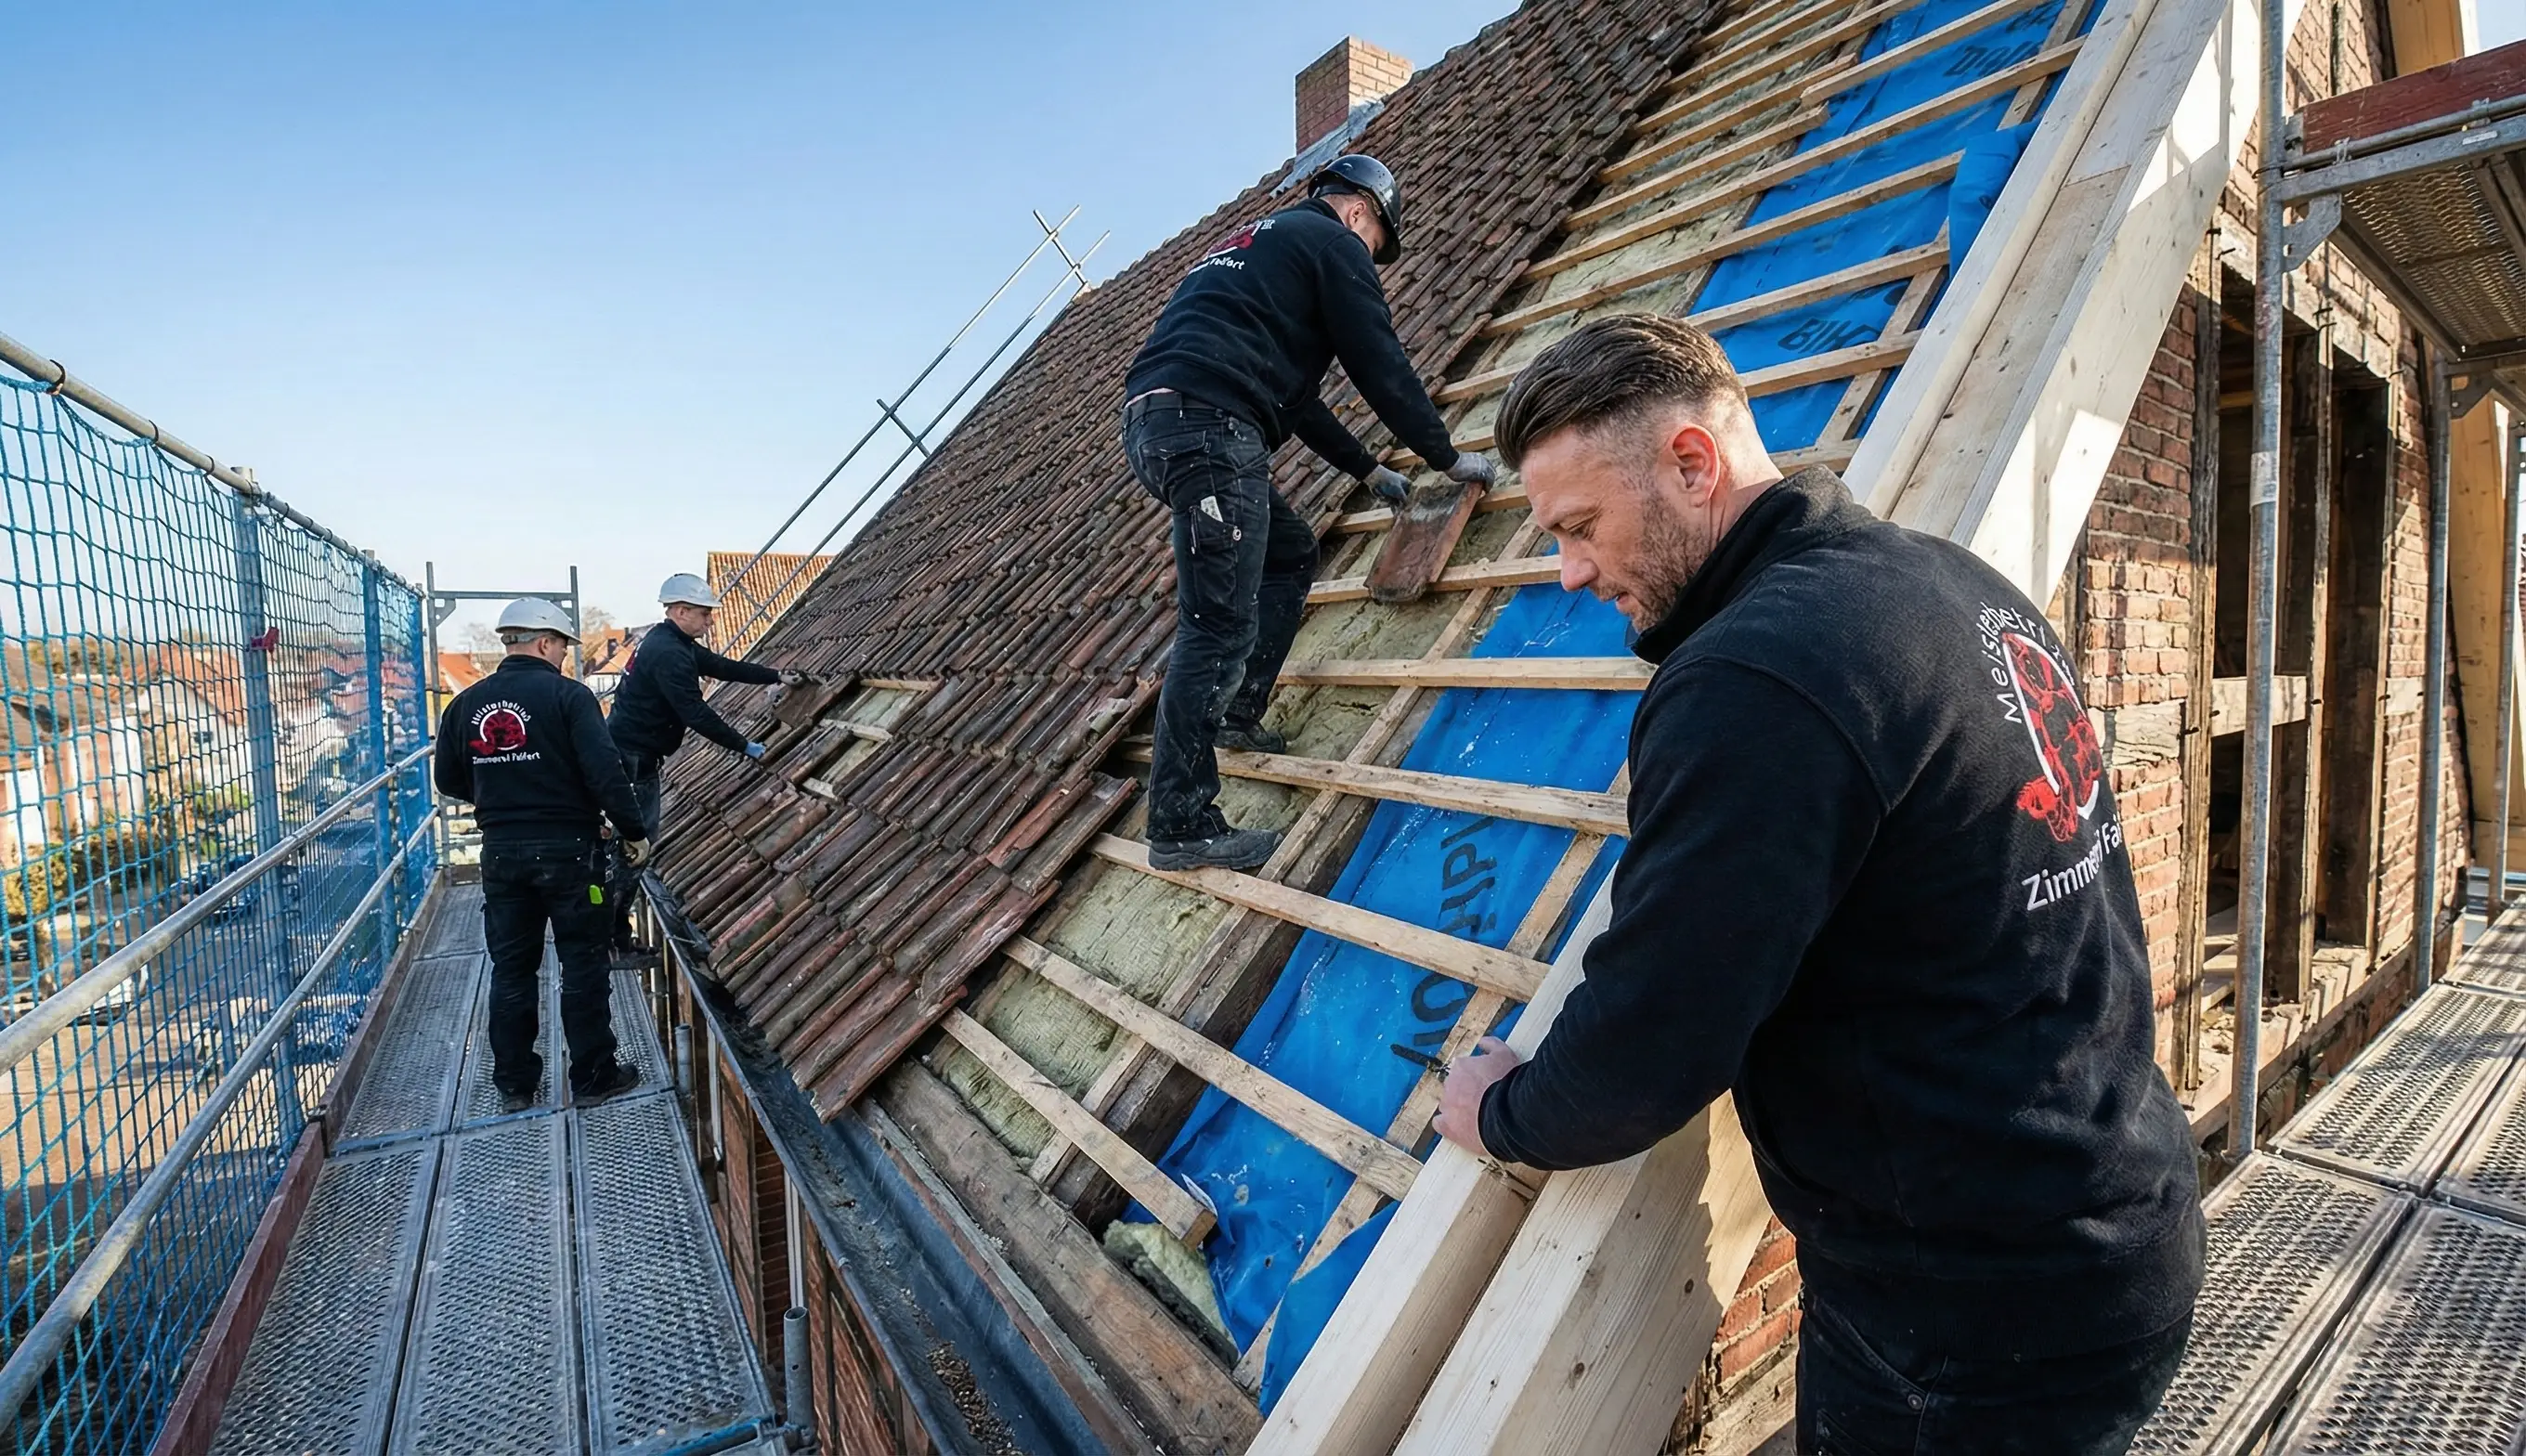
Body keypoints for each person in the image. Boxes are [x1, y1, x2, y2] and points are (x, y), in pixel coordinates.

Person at [1429, 316, 2202, 1453]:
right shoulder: (1944, 581)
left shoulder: (1753, 677)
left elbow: (1654, 1038)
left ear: (1691, 463)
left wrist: (1500, 1111)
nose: (1570, 571)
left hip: (1972, 1322)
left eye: (1580, 526)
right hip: (2117, 1211)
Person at [1120, 153, 1496, 871]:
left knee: (1289, 553)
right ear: (1360, 212)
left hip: (1168, 422)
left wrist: (1368, 468)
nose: (1371, 260)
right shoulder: (1330, 243)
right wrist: (1445, 457)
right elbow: (1378, 361)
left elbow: (1293, 397)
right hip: (1209, 429)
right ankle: (1181, 825)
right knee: (1216, 622)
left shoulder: (1262, 251)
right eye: (1377, 248)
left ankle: (1236, 712)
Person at [435, 597, 651, 1112]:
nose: (563, 656)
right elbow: (606, 773)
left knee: (512, 970)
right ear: (546, 643)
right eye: (562, 647)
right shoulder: (570, 699)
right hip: (571, 854)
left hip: (502, 857)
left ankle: (514, 1085)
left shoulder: (465, 705)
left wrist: (501, 797)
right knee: (582, 965)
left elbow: (448, 779)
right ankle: (595, 1077)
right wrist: (632, 831)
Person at [604, 571, 809, 962]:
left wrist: (774, 675)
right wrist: (745, 746)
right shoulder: (668, 653)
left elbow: (720, 666)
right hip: (632, 763)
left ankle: (611, 936)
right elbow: (695, 713)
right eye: (704, 613)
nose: (711, 621)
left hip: (631, 755)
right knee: (632, 851)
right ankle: (611, 940)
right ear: (681, 611)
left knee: (630, 850)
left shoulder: (671, 641)